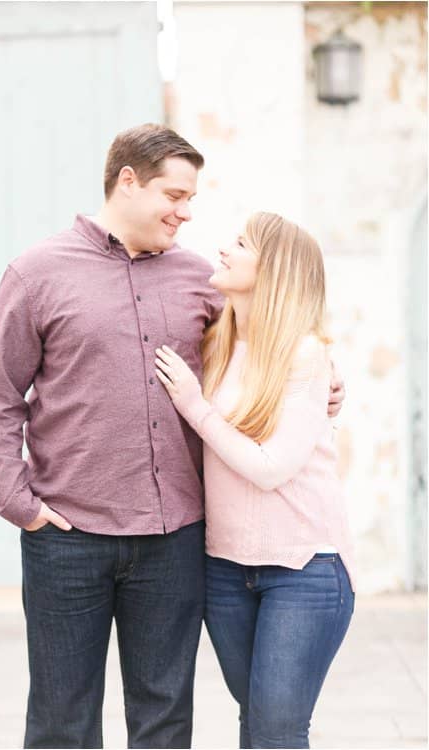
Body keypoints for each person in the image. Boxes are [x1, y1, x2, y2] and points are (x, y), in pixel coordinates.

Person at [0, 124, 344, 749]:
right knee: (61, 720)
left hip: (174, 542)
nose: (186, 212)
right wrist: (21, 507)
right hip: (67, 538)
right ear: (127, 181)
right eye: (175, 195)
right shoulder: (35, 274)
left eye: (191, 198)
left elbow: (274, 346)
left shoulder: (201, 280)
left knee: (165, 719)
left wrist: (330, 379)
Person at [154, 212, 354, 749]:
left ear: (274, 269)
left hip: (304, 570)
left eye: (241, 244)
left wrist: (195, 407)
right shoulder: (217, 344)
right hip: (225, 569)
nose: (225, 249)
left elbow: (271, 468)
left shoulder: (306, 355)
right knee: (257, 724)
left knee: (276, 732)